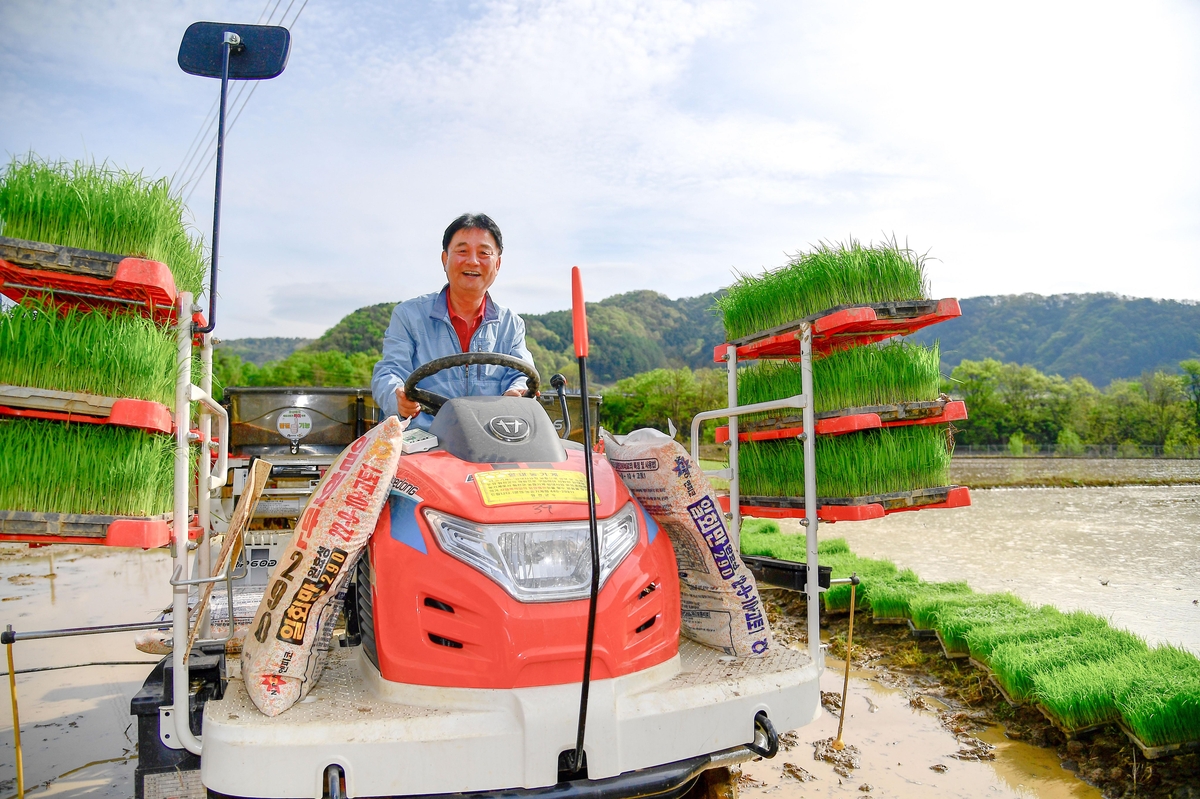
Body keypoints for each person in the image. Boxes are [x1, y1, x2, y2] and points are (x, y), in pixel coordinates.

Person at [371, 213, 535, 431]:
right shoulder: (408, 315)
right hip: (424, 441)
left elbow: (521, 375)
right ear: (445, 259)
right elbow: (389, 371)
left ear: (498, 264)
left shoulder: (511, 325)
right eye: (462, 251)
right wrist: (398, 396)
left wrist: (517, 391)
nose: (473, 261)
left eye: (484, 253)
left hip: (490, 441)